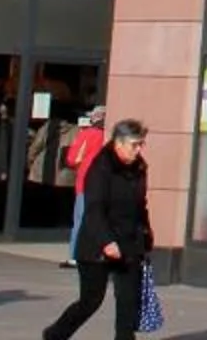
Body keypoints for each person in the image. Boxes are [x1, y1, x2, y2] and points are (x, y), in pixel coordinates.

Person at [44, 121, 152, 340]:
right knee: (91, 300)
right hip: (97, 244)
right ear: (118, 144)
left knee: (128, 301)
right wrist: (106, 242)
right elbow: (93, 209)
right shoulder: (101, 167)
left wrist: (146, 234)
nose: (139, 149)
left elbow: (140, 205)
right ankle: (56, 334)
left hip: (129, 241)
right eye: (134, 145)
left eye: (141, 144)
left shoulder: (139, 167)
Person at [60, 107, 109, 268]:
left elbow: (73, 159)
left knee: (80, 220)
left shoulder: (87, 134)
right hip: (104, 183)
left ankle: (75, 256)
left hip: (86, 181)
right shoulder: (109, 136)